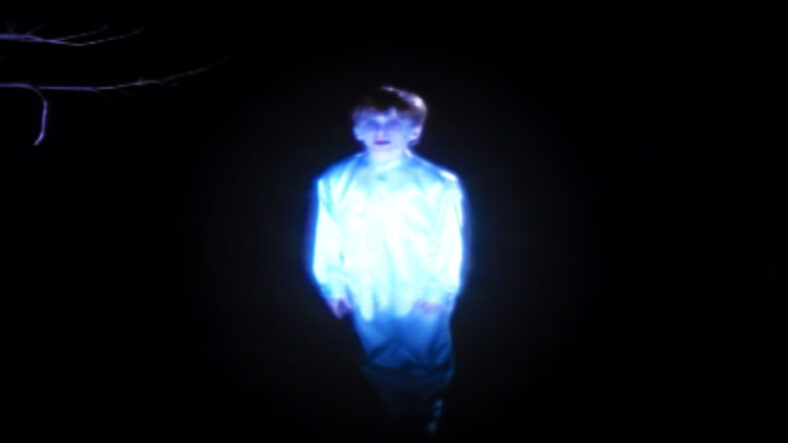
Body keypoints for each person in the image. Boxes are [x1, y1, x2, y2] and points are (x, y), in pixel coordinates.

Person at [309, 85, 468, 438]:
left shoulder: (437, 184)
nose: (381, 131)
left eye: (393, 123)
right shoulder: (335, 180)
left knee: (426, 349)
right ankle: (392, 409)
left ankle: (429, 411)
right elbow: (328, 237)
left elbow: (449, 241)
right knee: (377, 347)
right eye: (371, 123)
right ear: (357, 130)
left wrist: (441, 289)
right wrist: (333, 284)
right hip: (366, 287)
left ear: (415, 130)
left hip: (420, 290)